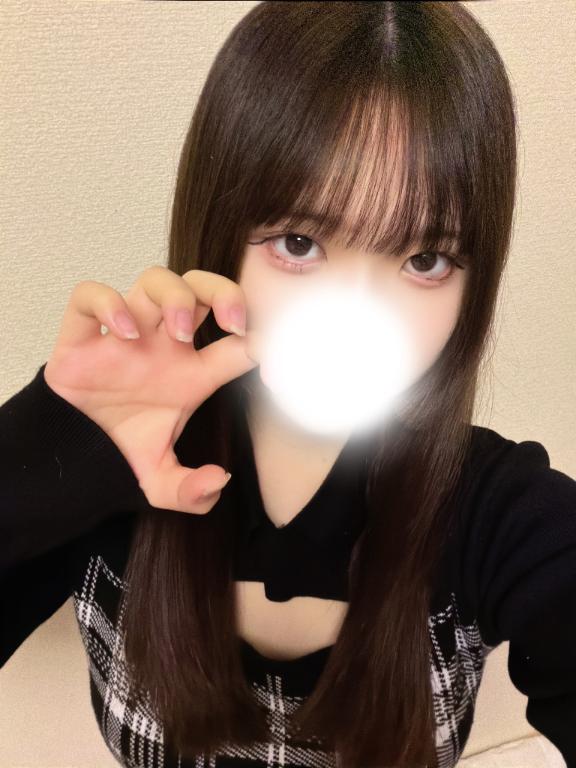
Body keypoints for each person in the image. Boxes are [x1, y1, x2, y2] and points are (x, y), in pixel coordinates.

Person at [2, 2, 575, 767]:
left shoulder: (498, 514)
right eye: (300, 243)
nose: (360, 317)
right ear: (220, 236)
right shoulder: (127, 463)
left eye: (425, 260)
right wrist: (51, 445)